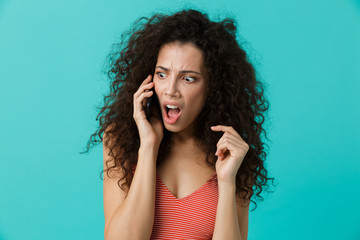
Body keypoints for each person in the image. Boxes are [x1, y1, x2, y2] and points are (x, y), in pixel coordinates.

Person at [83, 8, 274, 240]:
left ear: (213, 88)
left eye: (188, 78)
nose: (170, 90)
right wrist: (148, 147)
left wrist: (226, 181)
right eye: (162, 74)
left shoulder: (232, 154)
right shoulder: (120, 139)